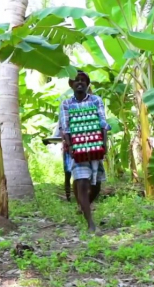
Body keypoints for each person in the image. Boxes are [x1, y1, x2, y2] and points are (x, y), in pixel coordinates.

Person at [58, 70, 109, 232]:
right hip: (77, 149)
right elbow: (65, 127)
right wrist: (70, 147)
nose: (79, 82)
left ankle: (83, 204)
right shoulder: (66, 104)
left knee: (96, 185)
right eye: (76, 80)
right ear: (71, 85)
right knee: (81, 183)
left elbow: (102, 122)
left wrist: (104, 143)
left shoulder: (96, 100)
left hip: (95, 146)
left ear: (87, 84)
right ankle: (90, 223)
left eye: (83, 80)